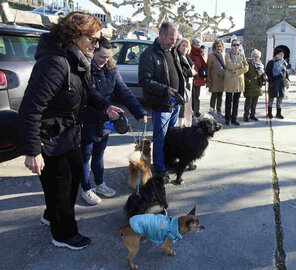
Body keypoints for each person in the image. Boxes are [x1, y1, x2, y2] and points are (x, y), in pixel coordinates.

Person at [18, 12, 124, 250]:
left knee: (73, 177)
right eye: (93, 39)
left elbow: (89, 91)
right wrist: (32, 151)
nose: (96, 45)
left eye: (98, 40)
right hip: (50, 139)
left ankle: (51, 215)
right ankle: (63, 233)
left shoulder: (78, 60)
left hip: (69, 135)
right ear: (75, 35)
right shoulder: (54, 64)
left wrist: (106, 106)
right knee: (61, 187)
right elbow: (30, 110)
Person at [80, 37, 148, 205]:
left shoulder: (112, 70)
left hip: (105, 121)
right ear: (93, 52)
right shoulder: (84, 70)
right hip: (86, 120)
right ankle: (86, 188)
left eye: (107, 57)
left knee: (98, 154)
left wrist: (139, 111)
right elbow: (86, 96)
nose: (104, 60)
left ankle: (100, 183)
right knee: (85, 156)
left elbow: (124, 92)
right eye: (101, 56)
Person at [138, 21, 185, 182]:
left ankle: (168, 162)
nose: (174, 42)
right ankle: (159, 168)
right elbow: (145, 80)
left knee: (172, 138)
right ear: (162, 35)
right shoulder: (149, 54)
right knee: (161, 138)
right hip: (161, 104)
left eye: (176, 39)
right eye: (171, 38)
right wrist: (165, 90)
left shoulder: (173, 51)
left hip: (175, 103)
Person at [223, 39, 249, 126]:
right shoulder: (228, 55)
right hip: (230, 80)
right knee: (228, 100)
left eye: (237, 44)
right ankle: (228, 118)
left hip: (239, 81)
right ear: (231, 46)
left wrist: (237, 71)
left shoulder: (242, 56)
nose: (236, 46)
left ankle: (234, 118)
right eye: (234, 45)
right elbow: (229, 65)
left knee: (236, 101)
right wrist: (240, 65)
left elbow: (246, 67)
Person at [176, 37, 196, 127]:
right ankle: (180, 125)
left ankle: (187, 125)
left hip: (189, 85)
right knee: (182, 107)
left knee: (188, 106)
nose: (185, 48)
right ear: (179, 46)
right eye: (183, 45)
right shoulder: (177, 57)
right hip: (182, 86)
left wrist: (192, 72)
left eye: (187, 46)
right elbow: (181, 72)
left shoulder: (187, 57)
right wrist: (191, 72)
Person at [243, 49, 266, 121]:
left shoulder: (261, 65)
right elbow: (244, 74)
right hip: (249, 85)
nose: (256, 58)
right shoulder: (248, 63)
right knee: (248, 102)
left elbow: (262, 74)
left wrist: (264, 76)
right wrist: (248, 81)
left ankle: (252, 115)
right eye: (254, 56)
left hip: (257, 86)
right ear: (252, 56)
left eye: (257, 57)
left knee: (254, 102)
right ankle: (246, 115)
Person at [265, 48, 288, 119]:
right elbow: (267, 72)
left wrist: (287, 77)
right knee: (271, 98)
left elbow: (286, 73)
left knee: (280, 98)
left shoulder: (284, 62)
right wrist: (270, 80)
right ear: (276, 55)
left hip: (281, 83)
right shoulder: (271, 62)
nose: (281, 55)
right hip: (273, 82)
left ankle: (278, 113)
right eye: (280, 54)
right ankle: (269, 113)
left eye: (282, 54)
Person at [206, 40, 226, 118]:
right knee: (214, 95)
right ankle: (211, 110)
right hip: (214, 78)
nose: (219, 48)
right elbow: (208, 68)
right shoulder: (211, 55)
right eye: (217, 46)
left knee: (220, 96)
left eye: (220, 46)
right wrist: (208, 79)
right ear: (214, 47)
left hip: (222, 78)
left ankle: (219, 111)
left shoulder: (224, 55)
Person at [189, 38, 207, 117]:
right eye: (196, 45)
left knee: (197, 96)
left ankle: (196, 110)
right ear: (192, 45)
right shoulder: (189, 53)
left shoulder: (200, 54)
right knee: (191, 96)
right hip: (192, 76)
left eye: (199, 45)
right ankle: (191, 110)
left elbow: (204, 65)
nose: (198, 46)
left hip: (199, 77)